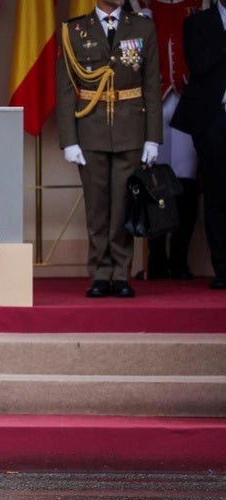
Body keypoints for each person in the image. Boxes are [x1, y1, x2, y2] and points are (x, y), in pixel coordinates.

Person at [56, 0, 163, 298]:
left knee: (123, 206)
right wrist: (69, 140)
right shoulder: (74, 30)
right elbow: (65, 89)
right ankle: (100, 273)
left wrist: (153, 137)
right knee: (97, 207)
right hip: (90, 129)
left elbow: (152, 85)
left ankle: (121, 273)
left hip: (131, 131)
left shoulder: (142, 26)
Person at [139, 0, 203, 280]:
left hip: (188, 100)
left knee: (186, 183)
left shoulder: (199, 5)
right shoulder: (143, 5)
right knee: (155, 183)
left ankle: (180, 258)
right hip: (153, 102)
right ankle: (157, 258)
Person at [171, 0, 226, 289]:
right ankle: (223, 269)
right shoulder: (196, 23)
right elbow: (199, 65)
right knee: (217, 195)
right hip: (213, 119)